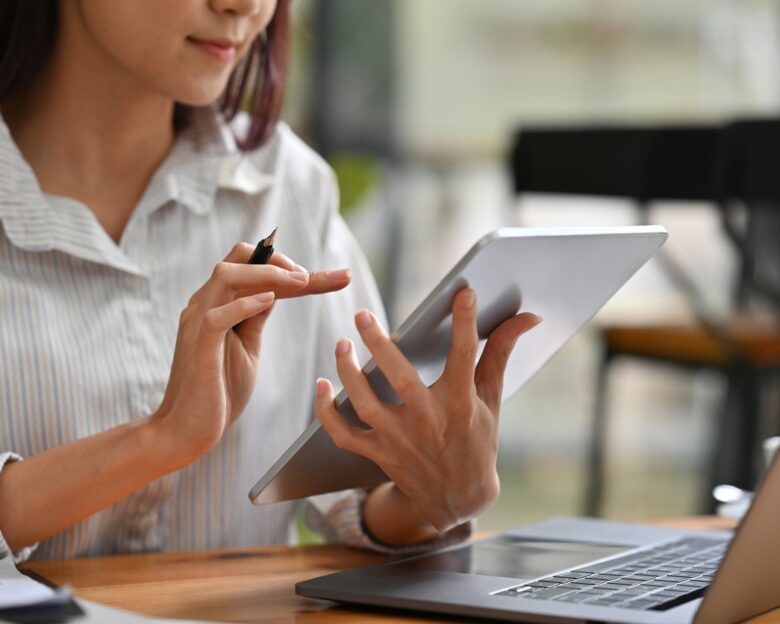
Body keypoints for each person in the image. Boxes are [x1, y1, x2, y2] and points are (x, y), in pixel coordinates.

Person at [0, 0, 540, 563]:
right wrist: (160, 440)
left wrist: (436, 500)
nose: (246, 6)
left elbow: (356, 494)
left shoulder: (287, 183)